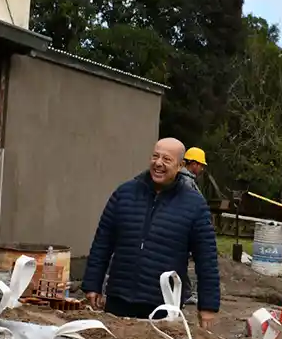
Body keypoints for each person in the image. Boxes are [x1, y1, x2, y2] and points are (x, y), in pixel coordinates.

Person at [83, 138, 221, 327]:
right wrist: (92, 284)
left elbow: (207, 259)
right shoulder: (125, 194)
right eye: (155, 156)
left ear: (180, 165)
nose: (158, 163)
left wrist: (208, 306)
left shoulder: (195, 205)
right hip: (119, 299)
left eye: (166, 159)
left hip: (163, 305)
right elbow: (102, 242)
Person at [178, 147, 208, 304]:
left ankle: (186, 293)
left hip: (182, 229)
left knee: (181, 262)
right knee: (180, 262)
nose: (202, 168)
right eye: (201, 165)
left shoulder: (181, 179)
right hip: (184, 230)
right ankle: (185, 294)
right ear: (194, 164)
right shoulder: (186, 182)